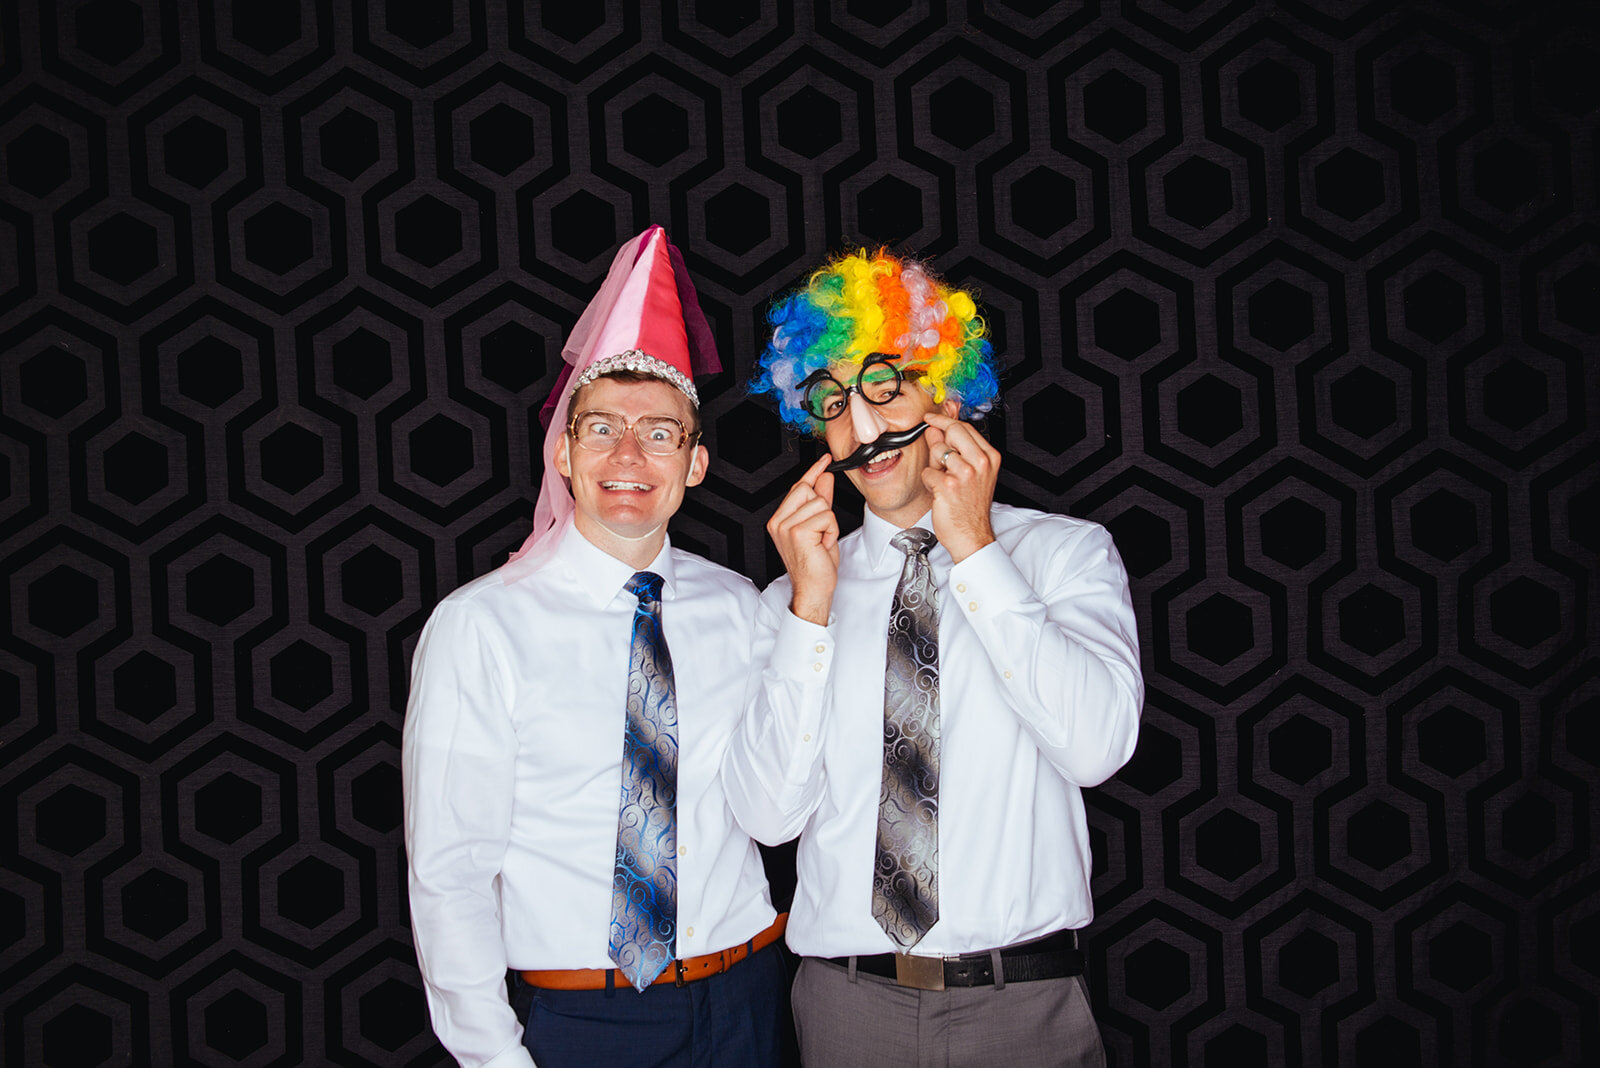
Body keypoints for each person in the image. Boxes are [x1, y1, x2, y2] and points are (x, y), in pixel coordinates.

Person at [723, 249, 1143, 1066]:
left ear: (946, 394)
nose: (864, 426)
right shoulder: (791, 602)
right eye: (833, 399)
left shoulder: (1063, 555)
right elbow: (769, 817)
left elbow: (1096, 749)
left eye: (886, 383)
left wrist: (976, 548)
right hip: (847, 1007)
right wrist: (811, 609)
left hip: (1023, 1007)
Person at [404, 227, 785, 1068]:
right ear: (565, 451)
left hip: (748, 1001)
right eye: (602, 427)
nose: (628, 454)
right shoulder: (481, 626)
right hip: (586, 1023)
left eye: (660, 433)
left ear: (694, 464)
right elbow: (451, 872)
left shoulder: (741, 607)